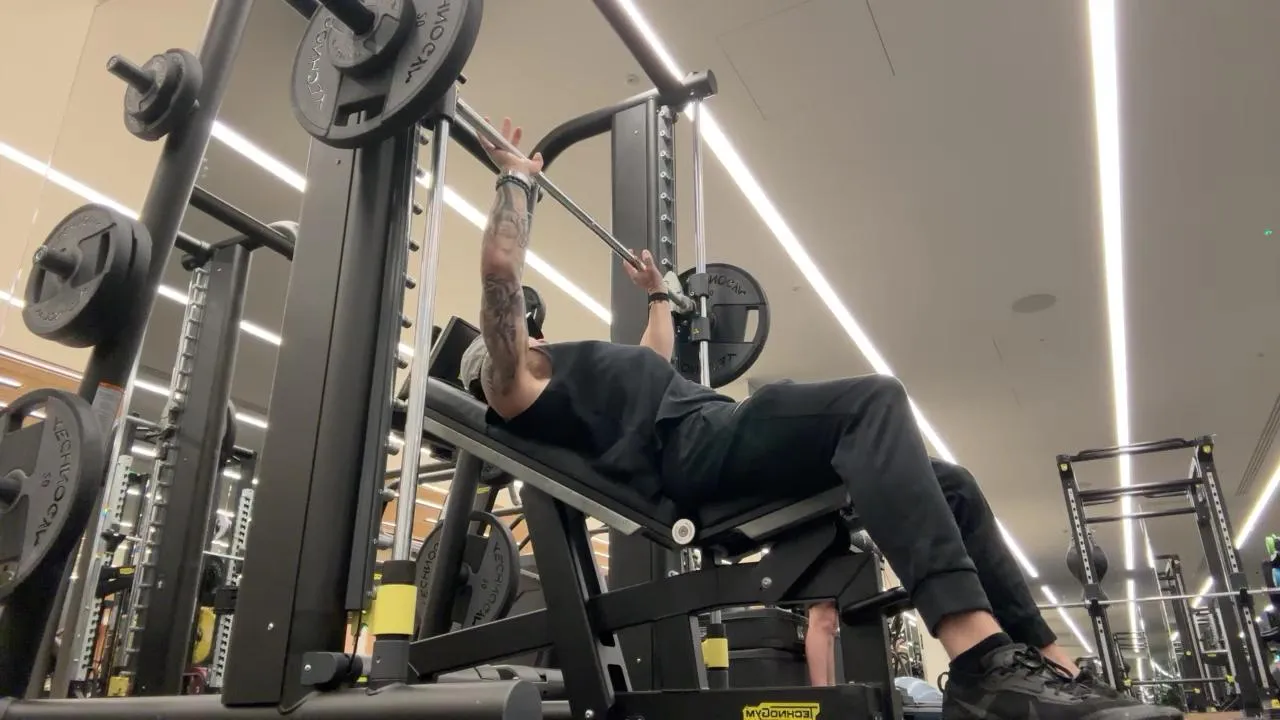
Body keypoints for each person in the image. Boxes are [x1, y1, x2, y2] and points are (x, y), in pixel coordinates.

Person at [460, 118, 1180, 720]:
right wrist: (517, 180)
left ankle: (1051, 667)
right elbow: (498, 271)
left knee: (952, 486)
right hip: (698, 451)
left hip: (712, 435)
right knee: (871, 401)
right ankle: (977, 659)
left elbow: (653, 359)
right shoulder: (510, 385)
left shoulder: (582, 375)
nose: (529, 328)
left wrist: (655, 295)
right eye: (515, 332)